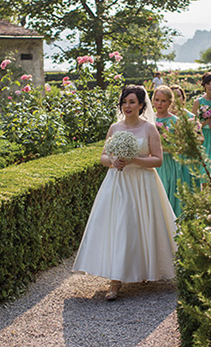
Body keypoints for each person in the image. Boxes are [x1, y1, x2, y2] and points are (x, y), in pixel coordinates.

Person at [72, 85, 177, 301]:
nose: (127, 106)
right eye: (124, 102)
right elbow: (103, 156)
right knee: (120, 225)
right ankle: (115, 280)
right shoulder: (114, 128)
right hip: (118, 183)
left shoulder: (149, 129)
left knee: (142, 225)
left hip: (143, 183)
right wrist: (112, 160)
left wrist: (134, 160)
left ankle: (144, 270)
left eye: (132, 102)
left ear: (141, 105)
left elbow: (158, 159)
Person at [153, 85, 184, 217]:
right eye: (157, 100)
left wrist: (166, 148)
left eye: (163, 100)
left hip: (169, 164)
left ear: (170, 103)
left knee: (168, 195)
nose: (159, 104)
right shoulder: (148, 120)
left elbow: (181, 147)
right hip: (152, 164)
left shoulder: (175, 121)